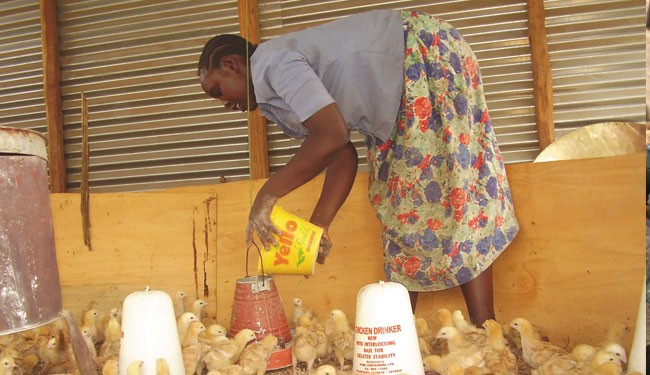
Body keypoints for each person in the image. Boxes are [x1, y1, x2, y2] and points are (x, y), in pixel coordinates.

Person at [198, 9, 519, 325]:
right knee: (403, 211)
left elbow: (332, 134)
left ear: (231, 65)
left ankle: (484, 331)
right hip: (399, 97)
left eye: (217, 91)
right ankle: (398, 336)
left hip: (419, 57)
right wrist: (319, 225)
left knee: (456, 196)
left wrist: (267, 196)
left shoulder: (270, 61)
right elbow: (339, 152)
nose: (224, 103)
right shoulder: (275, 102)